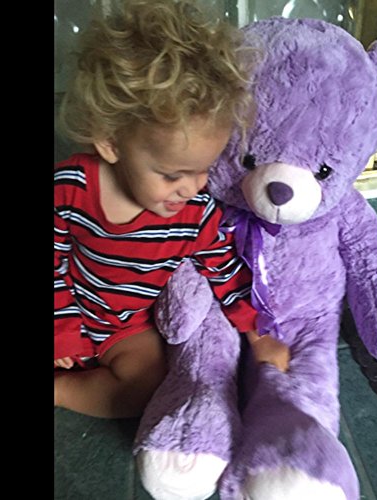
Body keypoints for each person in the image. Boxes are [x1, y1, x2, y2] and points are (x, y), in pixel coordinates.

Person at [54, 0, 290, 419]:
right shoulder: (72, 186)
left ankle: (62, 391)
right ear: (111, 143)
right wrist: (63, 330)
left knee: (144, 389)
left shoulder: (196, 213)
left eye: (203, 170)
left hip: (127, 328)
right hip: (66, 304)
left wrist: (259, 336)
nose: (192, 187)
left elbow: (225, 273)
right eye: (171, 174)